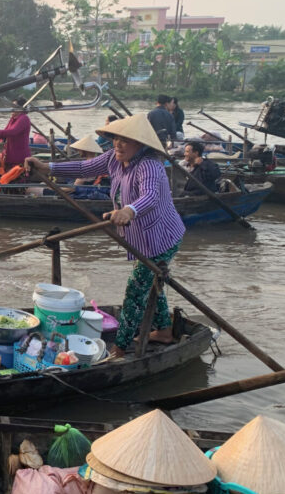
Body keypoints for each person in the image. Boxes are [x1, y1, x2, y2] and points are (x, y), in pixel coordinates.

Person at [24, 114, 185, 358]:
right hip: (138, 235)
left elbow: (151, 196)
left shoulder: (150, 164)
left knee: (135, 290)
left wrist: (129, 210)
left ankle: (120, 348)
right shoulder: (113, 158)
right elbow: (85, 167)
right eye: (116, 139)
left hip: (160, 236)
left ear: (140, 144)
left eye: (125, 140)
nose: (118, 145)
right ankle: (163, 330)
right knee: (151, 280)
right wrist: (49, 167)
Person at [0, 97, 31, 171]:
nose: (11, 109)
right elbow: (5, 132)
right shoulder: (13, 118)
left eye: (14, 107)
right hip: (10, 154)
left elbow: (13, 132)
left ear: (20, 108)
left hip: (19, 156)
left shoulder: (24, 118)